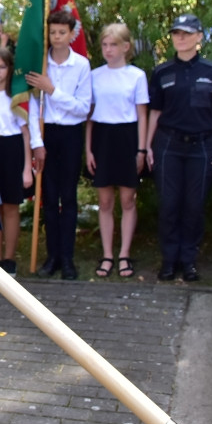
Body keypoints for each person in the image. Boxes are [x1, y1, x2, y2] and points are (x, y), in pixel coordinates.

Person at [146, 14, 212, 282]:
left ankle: (189, 261)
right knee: (169, 204)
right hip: (168, 144)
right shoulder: (162, 72)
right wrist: (146, 147)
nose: (180, 38)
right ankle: (169, 261)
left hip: (202, 145)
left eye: (186, 33)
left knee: (194, 206)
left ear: (199, 36)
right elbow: (155, 113)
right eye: (176, 33)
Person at [27, 10, 92, 280]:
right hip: (47, 134)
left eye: (62, 33)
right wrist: (37, 143)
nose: (56, 38)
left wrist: (52, 90)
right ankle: (51, 256)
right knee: (49, 198)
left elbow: (82, 108)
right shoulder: (41, 65)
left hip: (71, 135)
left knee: (69, 197)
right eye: (52, 32)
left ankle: (68, 258)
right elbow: (31, 108)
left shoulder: (81, 65)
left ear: (71, 34)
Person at [85, 23, 148, 278]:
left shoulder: (137, 75)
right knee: (105, 201)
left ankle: (124, 254)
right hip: (102, 137)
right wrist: (88, 149)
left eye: (114, 45)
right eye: (105, 45)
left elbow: (142, 115)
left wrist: (142, 149)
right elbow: (89, 114)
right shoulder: (95, 75)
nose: (108, 50)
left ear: (126, 47)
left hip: (128, 136)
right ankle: (107, 254)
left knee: (127, 200)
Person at [0, 48, 32, 275]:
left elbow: (25, 133)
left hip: (12, 149)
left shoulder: (15, 95)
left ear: (9, 69)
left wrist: (27, 169)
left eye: (2, 67)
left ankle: (10, 258)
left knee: (11, 206)